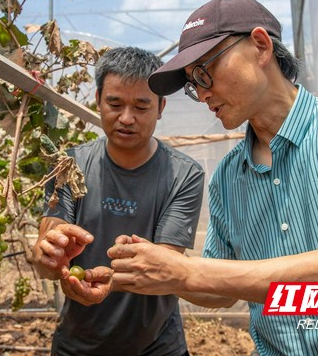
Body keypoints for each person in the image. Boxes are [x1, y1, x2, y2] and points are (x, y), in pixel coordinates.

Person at [107, 0, 318, 355]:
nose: (201, 94)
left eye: (204, 72)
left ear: (260, 46)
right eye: (191, 84)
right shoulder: (229, 176)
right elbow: (218, 290)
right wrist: (149, 266)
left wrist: (185, 273)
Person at [33, 46, 205, 356]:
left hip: (158, 347)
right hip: (78, 345)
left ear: (161, 106)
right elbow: (49, 242)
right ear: (98, 99)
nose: (126, 118)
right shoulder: (68, 165)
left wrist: (111, 281)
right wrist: (49, 255)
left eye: (141, 106)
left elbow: (162, 268)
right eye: (114, 103)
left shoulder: (183, 174)